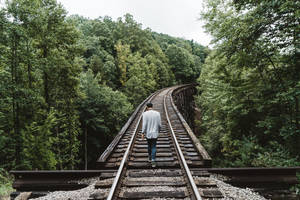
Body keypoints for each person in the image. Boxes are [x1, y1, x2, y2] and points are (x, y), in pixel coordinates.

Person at [141, 102, 161, 167]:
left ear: (147, 107)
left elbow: (144, 124)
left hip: (148, 133)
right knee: (154, 146)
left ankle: (150, 158)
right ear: (152, 106)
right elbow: (159, 124)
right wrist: (159, 130)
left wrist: (143, 132)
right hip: (155, 132)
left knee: (149, 145)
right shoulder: (157, 113)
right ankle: (153, 160)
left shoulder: (144, 114)